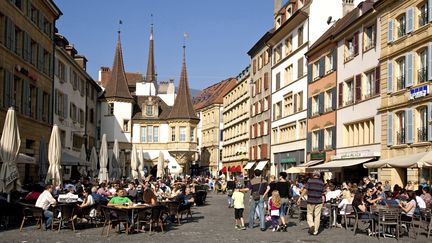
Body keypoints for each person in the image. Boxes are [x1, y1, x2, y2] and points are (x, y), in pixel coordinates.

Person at [300, 171, 324, 235]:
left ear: (313, 175)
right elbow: (323, 192)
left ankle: (311, 225)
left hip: (311, 200)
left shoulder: (310, 181)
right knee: (317, 216)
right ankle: (315, 231)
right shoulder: (321, 182)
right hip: (319, 201)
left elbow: (305, 190)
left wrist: (300, 197)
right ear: (319, 176)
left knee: (309, 214)